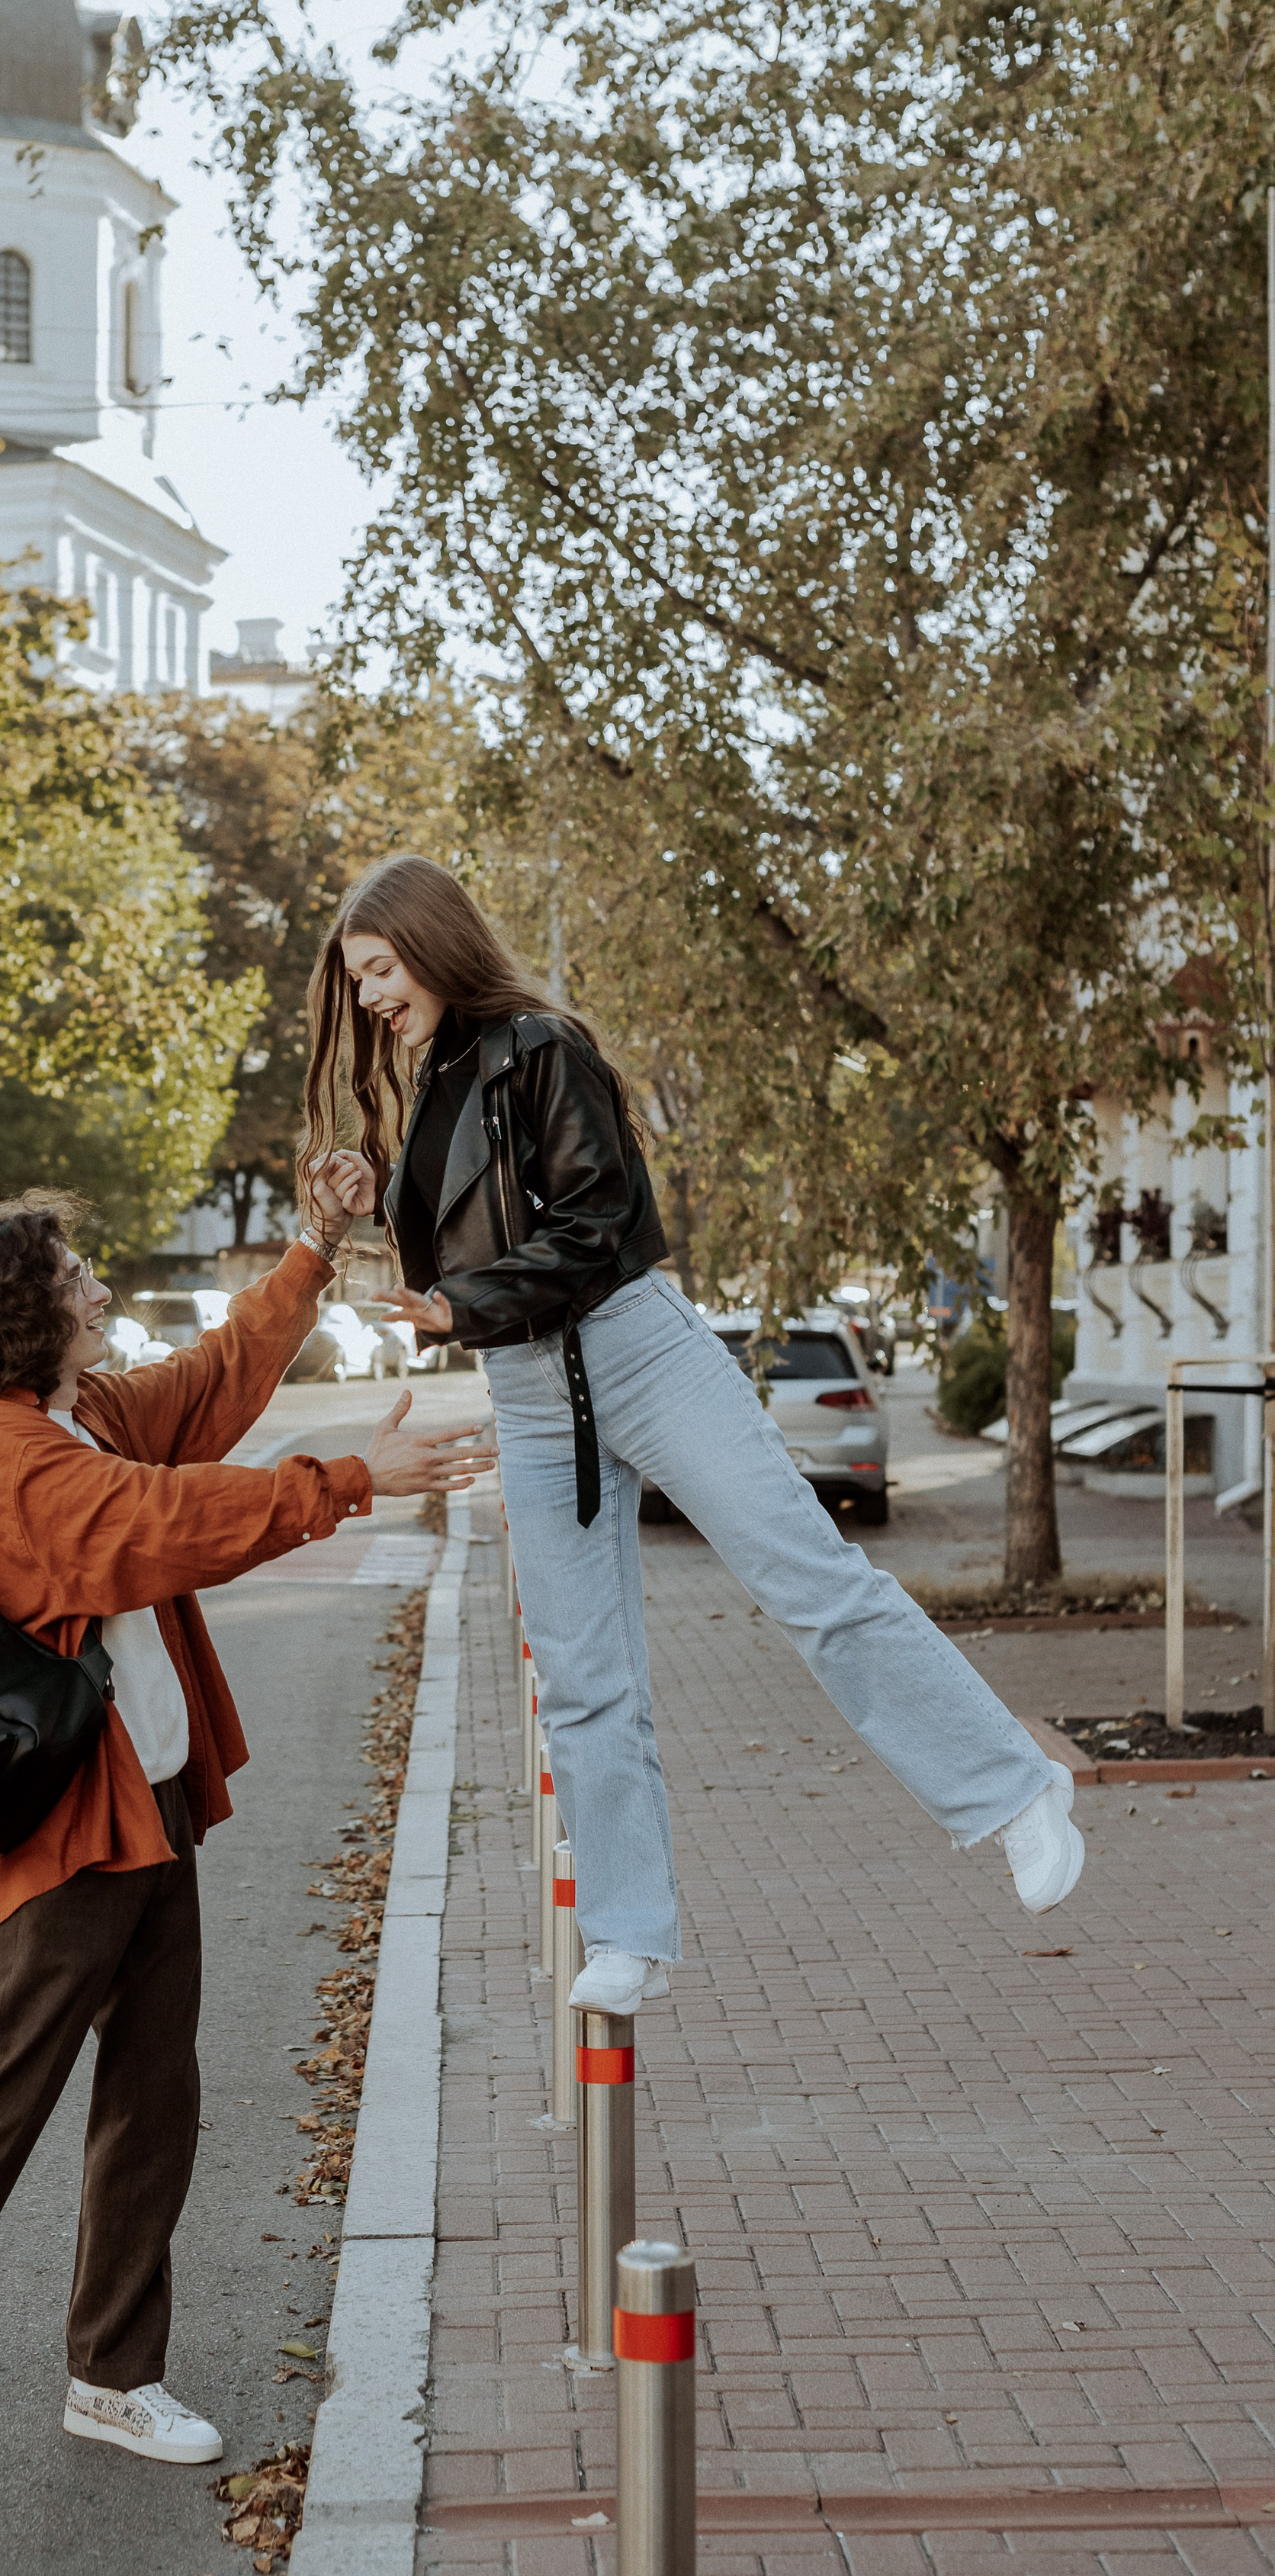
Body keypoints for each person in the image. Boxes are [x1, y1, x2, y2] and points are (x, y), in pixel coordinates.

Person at [0, 1184, 495, 2493]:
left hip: (145, 1804)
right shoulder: (5, 1456)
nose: (98, 1289)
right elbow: (159, 1526)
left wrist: (314, 1248)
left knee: (156, 2092)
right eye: (77, 1277)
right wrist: (346, 1483)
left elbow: (207, 1388)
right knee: (4, 2100)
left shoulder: (75, 1411)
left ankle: (113, 2373)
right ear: (24, 1313)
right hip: (65, 1828)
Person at [301, 854, 1084, 2028]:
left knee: (814, 1585)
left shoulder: (544, 1047)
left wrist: (461, 1305)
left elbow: (597, 1220)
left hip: (637, 1352)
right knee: (580, 1676)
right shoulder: (433, 1083)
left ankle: (1016, 1791)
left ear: (432, 942)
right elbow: (477, 1242)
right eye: (357, 979)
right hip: (530, 1390)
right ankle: (630, 1932)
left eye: (379, 970)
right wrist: (380, 1203)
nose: (368, 998)